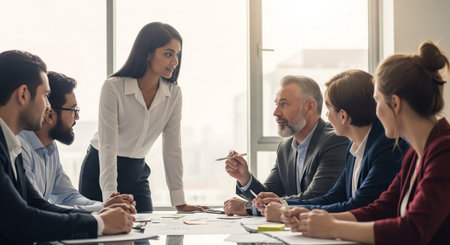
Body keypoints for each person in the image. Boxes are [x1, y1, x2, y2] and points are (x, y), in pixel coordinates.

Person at [281, 41, 450, 244]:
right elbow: (380, 209)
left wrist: (333, 226)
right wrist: (312, 219)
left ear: (395, 103)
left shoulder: (444, 151)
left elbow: (413, 230)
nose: (375, 110)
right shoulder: (416, 154)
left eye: (377, 100)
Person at [0, 50, 135, 244]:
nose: (48, 107)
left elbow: (37, 204)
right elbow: (23, 220)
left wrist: (100, 215)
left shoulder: (9, 145)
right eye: (45, 96)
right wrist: (99, 223)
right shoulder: (13, 146)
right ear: (23, 94)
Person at [78, 22, 208, 212]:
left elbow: (172, 148)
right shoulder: (113, 87)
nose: (175, 62)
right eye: (168, 54)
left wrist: (179, 201)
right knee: (102, 237)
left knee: (144, 234)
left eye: (177, 55)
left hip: (136, 172)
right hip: (100, 169)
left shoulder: (173, 94)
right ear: (148, 53)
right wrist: (110, 197)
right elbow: (108, 146)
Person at [258, 70, 408, 222]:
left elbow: (358, 206)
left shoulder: (386, 147)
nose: (327, 116)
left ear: (342, 116)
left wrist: (287, 212)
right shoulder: (354, 148)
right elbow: (332, 198)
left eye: (328, 109)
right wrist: (283, 204)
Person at [224, 75, 349, 216]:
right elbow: (270, 195)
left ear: (310, 106)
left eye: (283, 104)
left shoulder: (335, 141)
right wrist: (244, 177)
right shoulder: (285, 146)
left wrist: (249, 207)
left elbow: (317, 198)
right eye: (276, 104)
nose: (275, 112)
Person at [19, 71, 136, 212]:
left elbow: (67, 196)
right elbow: (37, 208)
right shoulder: (20, 148)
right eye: (74, 110)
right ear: (50, 114)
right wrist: (101, 210)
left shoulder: (50, 147)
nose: (78, 117)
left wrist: (105, 206)